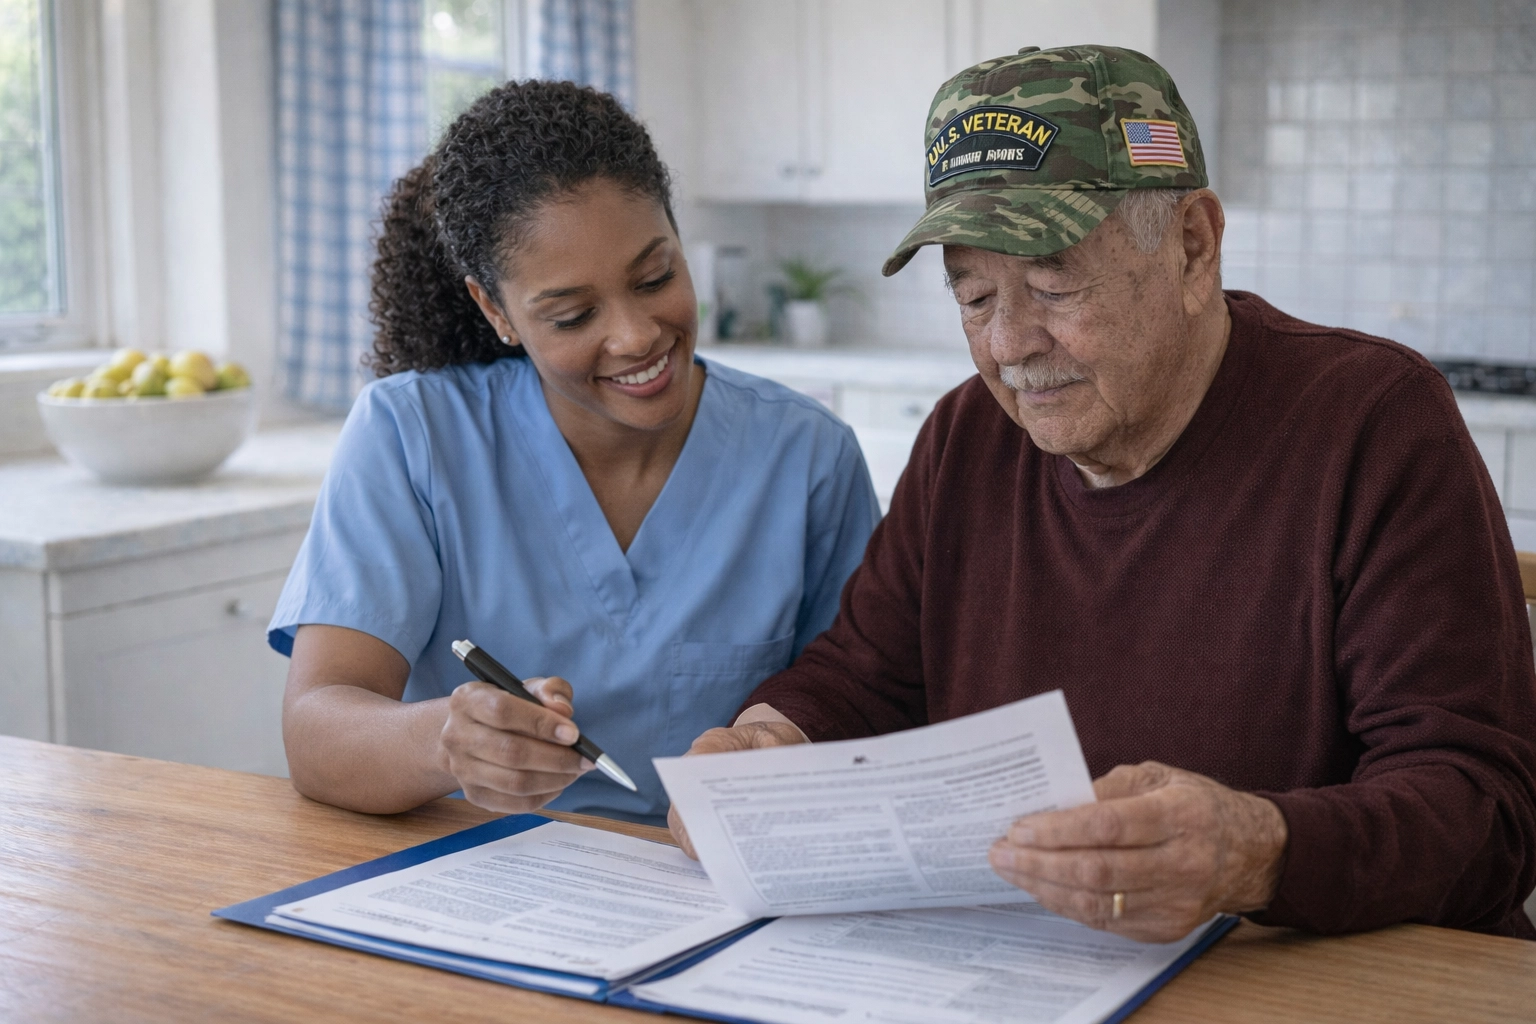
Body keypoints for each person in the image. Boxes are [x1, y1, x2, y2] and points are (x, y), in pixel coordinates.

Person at [668, 45, 1536, 940]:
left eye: (1054, 285)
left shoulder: (1373, 423)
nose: (1009, 344)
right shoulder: (969, 435)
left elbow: (1487, 808)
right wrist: (770, 738)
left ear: (1194, 247)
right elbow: (865, 675)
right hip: (1033, 972)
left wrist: (1255, 851)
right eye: (972, 296)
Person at [269, 81, 880, 827]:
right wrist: (447, 742)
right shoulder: (412, 435)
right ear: (496, 311)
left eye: (656, 277)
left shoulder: (806, 456)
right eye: (572, 314)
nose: (636, 336)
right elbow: (315, 733)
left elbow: (861, 700)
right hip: (482, 878)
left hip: (711, 885)